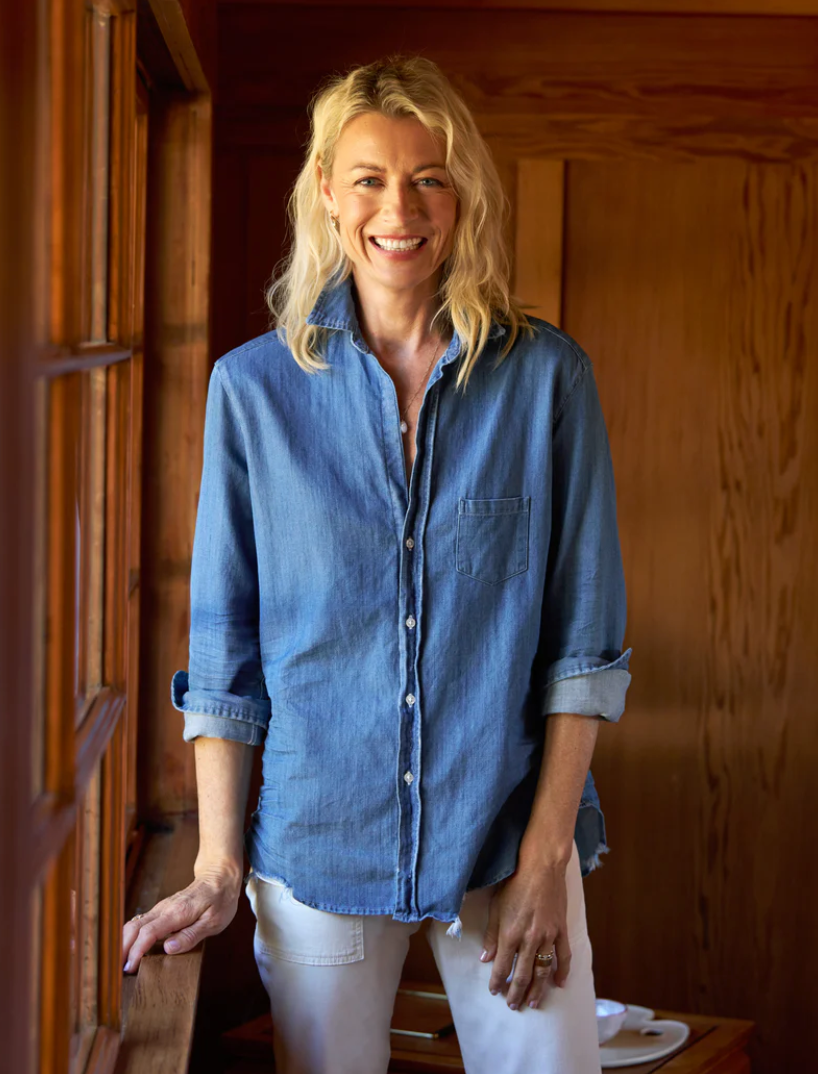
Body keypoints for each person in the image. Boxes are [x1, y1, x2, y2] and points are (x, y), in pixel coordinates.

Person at [121, 54, 632, 1074]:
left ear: (461, 194)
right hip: (316, 845)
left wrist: (547, 862)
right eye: (368, 177)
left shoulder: (547, 380)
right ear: (325, 191)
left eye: (427, 177)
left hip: (504, 847)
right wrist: (221, 867)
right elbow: (225, 656)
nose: (398, 208)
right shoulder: (251, 393)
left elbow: (582, 649)